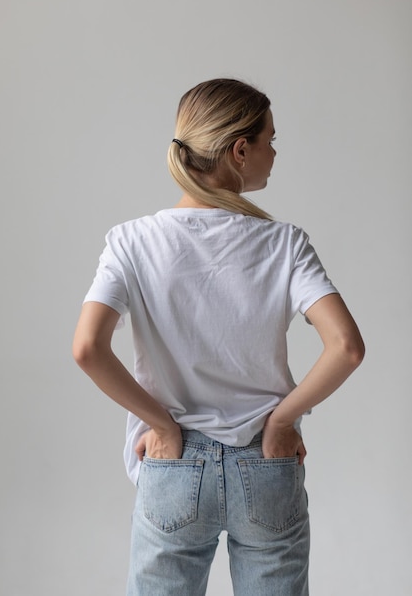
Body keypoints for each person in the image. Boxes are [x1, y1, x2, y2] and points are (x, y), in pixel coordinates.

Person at [73, 78, 365, 596]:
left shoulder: (131, 242)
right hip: (267, 463)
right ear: (239, 150)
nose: (274, 153)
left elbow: (87, 348)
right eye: (271, 140)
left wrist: (160, 425)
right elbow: (345, 346)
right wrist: (282, 419)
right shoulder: (285, 243)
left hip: (173, 464)